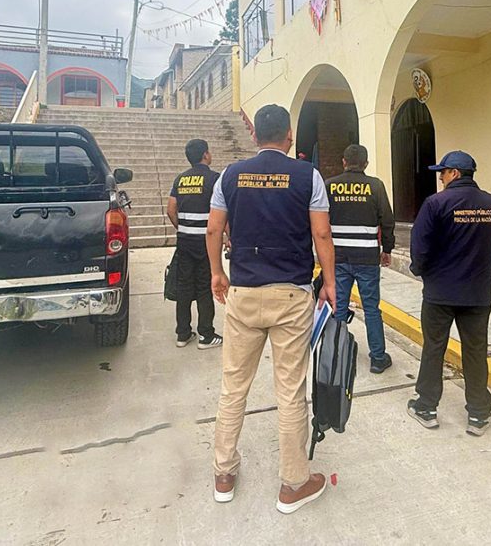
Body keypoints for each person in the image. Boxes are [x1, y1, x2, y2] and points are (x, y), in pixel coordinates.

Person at [206, 103, 336, 515]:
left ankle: (224, 474)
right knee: (290, 391)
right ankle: (294, 483)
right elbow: (321, 234)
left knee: (233, 387)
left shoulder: (229, 175)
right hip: (291, 297)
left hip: (243, 292)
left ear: (254, 135)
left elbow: (213, 228)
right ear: (289, 136)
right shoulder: (308, 176)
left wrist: (217, 273)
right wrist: (331, 283)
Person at [406, 151, 491, 437]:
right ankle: (479, 414)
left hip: (440, 293)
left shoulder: (435, 203)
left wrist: (421, 270)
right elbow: (490, 244)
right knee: (475, 351)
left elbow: (420, 247)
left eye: (443, 172)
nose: (441, 178)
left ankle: (426, 407)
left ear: (455, 173)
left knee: (434, 348)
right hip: (477, 293)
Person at [326, 144, 396, 374]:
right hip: (367, 257)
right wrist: (387, 248)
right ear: (365, 163)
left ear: (344, 162)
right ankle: (378, 358)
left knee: (339, 307)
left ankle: (336, 357)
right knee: (371, 308)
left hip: (338, 257)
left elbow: (319, 221)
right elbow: (387, 220)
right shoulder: (375, 186)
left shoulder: (329, 185)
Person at [166, 139, 222, 349]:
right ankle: (206, 335)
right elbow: (221, 211)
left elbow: (171, 210)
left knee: (184, 286)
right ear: (205, 155)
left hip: (185, 241)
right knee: (205, 286)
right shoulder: (214, 179)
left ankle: (183, 334)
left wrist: (182, 227)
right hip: (206, 242)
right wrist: (228, 237)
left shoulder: (180, 179)